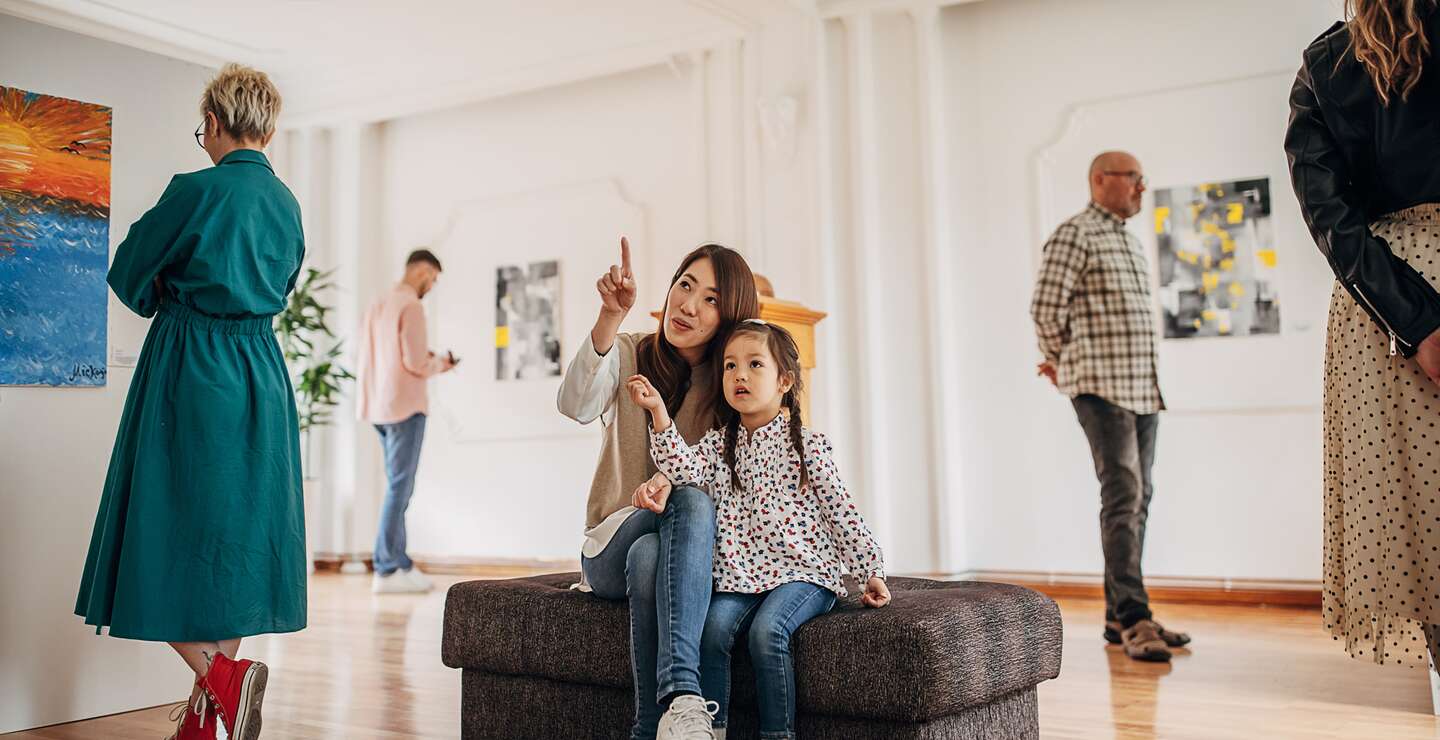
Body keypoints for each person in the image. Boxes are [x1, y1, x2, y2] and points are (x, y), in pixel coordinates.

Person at [74, 63, 304, 740]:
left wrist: (171, 295)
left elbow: (128, 274)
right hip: (261, 371)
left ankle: (224, 676)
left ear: (212, 122)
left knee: (164, 533)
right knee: (231, 541)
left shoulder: (194, 191)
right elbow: (283, 284)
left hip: (191, 369)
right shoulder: (287, 203)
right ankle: (205, 721)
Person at [627, 319, 889, 740]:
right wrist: (658, 411)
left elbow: (843, 512)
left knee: (768, 633)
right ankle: (709, 731)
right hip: (741, 577)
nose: (739, 375)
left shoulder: (808, 446)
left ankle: (777, 734)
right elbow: (680, 469)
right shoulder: (717, 445)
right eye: (730, 366)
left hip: (802, 573)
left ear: (784, 380)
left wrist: (869, 570)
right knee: (711, 631)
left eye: (754, 365)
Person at [1286, 0, 1440, 670]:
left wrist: (1417, 321)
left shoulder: (1325, 65)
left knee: (1429, 548)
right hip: (1398, 318)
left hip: (1382, 307)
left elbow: (1329, 219)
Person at [557, 238, 758, 740]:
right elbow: (575, 404)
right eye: (684, 286)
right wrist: (609, 317)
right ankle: (688, 692)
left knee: (650, 556)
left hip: (663, 554)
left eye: (711, 298)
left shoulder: (729, 387)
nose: (688, 304)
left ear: (730, 316)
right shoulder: (629, 352)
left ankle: (657, 725)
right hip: (608, 546)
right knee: (686, 502)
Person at [1029, 151, 1191, 663]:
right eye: (1134, 179)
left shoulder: (1126, 238)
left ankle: (1115, 615)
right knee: (1124, 496)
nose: (1142, 187)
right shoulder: (1076, 233)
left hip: (1141, 387)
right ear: (1101, 180)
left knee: (1139, 497)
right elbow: (1045, 308)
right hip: (1101, 386)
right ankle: (1132, 618)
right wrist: (1061, 359)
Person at [356, 249, 458, 594]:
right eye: (432, 277)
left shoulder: (378, 303)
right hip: (404, 406)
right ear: (421, 270)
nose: (431, 285)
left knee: (396, 486)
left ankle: (397, 563)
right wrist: (442, 363)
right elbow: (414, 362)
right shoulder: (411, 305)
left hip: (377, 406)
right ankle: (387, 567)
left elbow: (381, 355)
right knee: (400, 487)